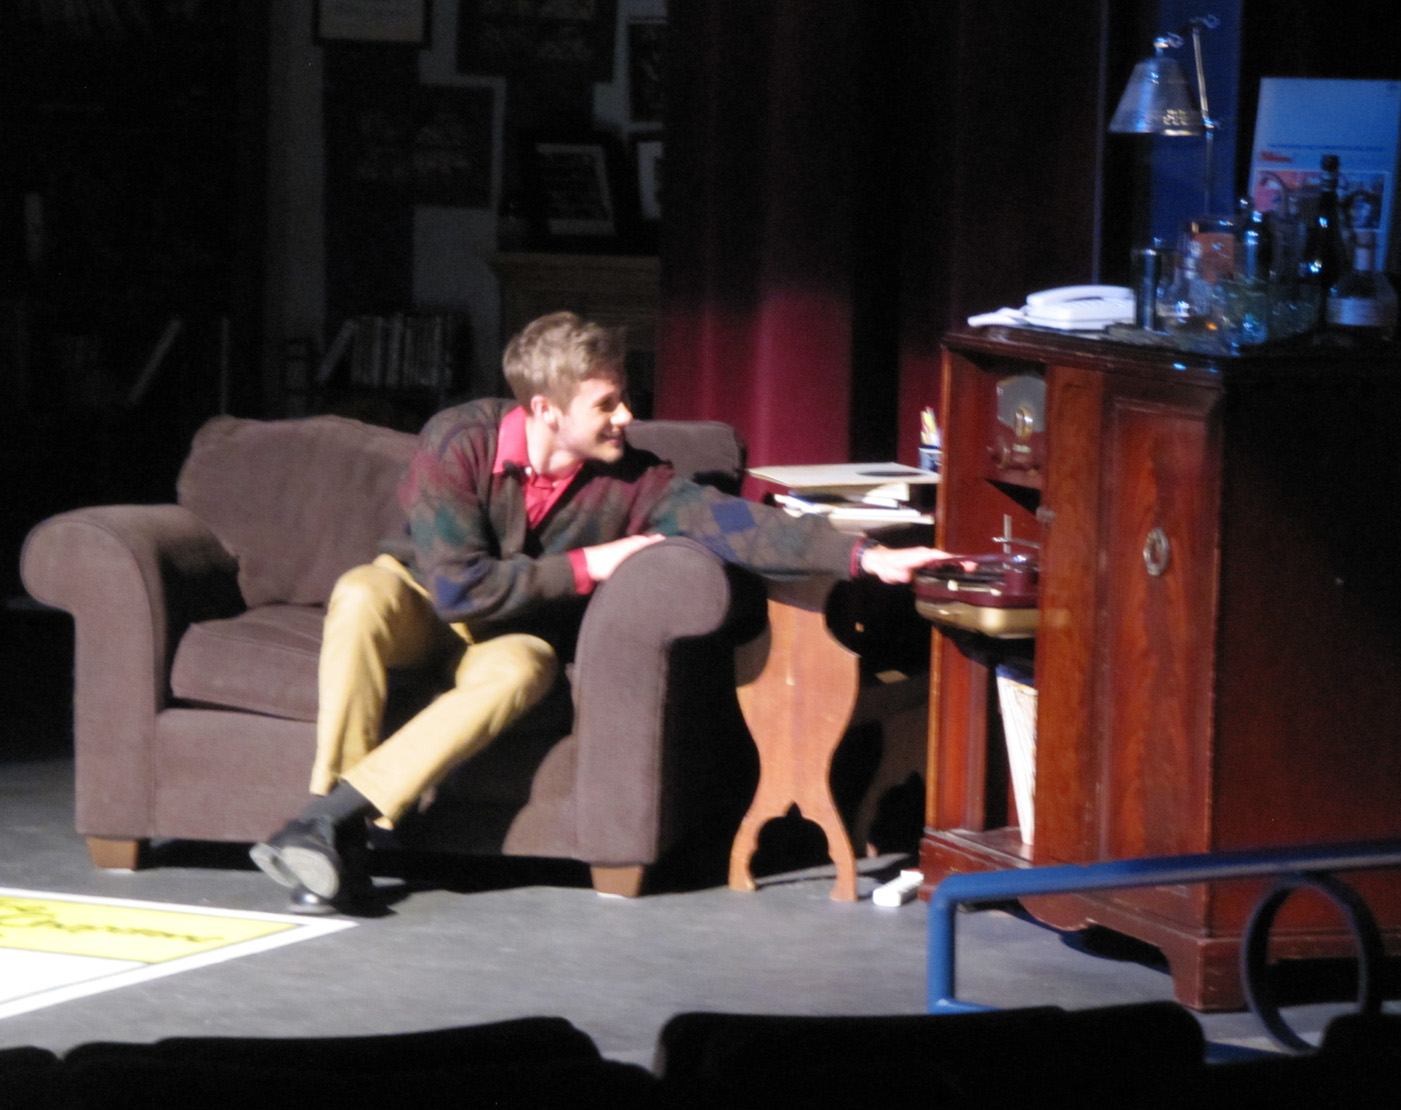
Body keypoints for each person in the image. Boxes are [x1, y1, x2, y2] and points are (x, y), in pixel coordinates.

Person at [252, 311, 952, 912]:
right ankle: (333, 826)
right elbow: (459, 591)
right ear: (547, 411)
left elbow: (735, 523)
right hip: (421, 601)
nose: (627, 416)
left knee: (523, 670)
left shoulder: (634, 480)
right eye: (608, 404)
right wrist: (592, 563)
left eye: (625, 398)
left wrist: (863, 557)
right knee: (360, 594)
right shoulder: (458, 438)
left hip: (507, 637)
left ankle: (323, 828)